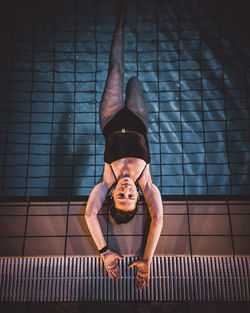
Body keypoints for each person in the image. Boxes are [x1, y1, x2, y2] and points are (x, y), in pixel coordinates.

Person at [85, 3, 163, 290]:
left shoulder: (107, 180)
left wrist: (105, 253)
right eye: (131, 196)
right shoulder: (147, 183)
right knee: (135, 82)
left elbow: (90, 215)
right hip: (138, 119)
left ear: (112, 194)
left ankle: (119, 22)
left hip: (111, 116)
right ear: (137, 198)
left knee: (117, 69)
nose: (127, 189)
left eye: (121, 194)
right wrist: (147, 258)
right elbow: (158, 220)